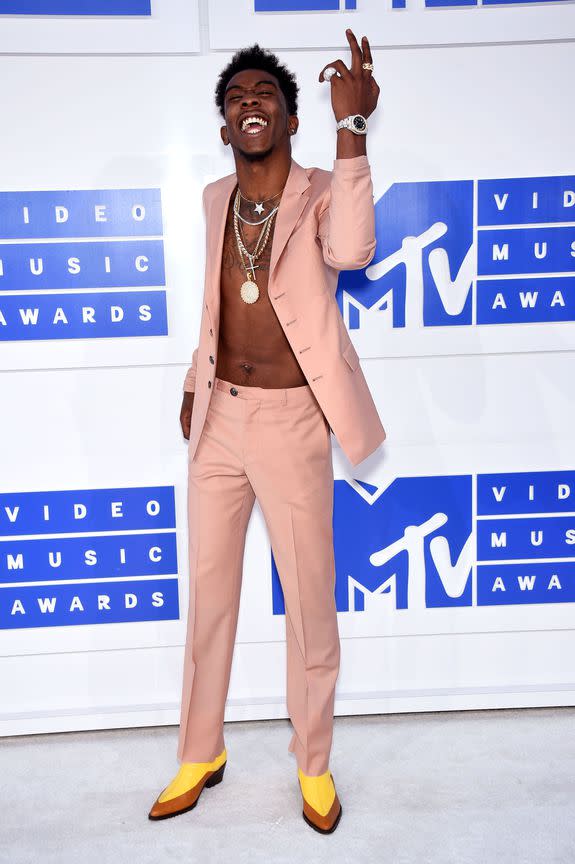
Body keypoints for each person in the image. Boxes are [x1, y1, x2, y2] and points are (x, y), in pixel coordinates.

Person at [148, 30, 385, 834]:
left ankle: (312, 764)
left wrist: (351, 132)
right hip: (217, 420)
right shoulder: (217, 198)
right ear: (224, 127)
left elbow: (353, 251)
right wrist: (193, 385)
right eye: (235, 98)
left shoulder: (321, 187)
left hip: (290, 423)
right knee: (208, 599)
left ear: (288, 118)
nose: (250, 104)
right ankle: (198, 750)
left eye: (265, 96)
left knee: (310, 604)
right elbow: (213, 305)